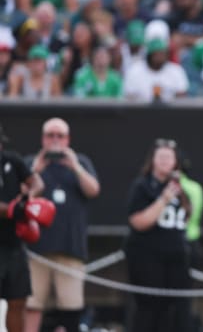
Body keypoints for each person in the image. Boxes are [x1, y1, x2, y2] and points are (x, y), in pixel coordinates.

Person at [25, 118, 100, 332]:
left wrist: (75, 167)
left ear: (68, 139)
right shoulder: (32, 162)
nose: (55, 140)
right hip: (36, 249)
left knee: (70, 308)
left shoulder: (81, 162)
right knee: (32, 304)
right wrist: (36, 170)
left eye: (60, 136)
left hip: (70, 248)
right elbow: (21, 195)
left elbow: (93, 190)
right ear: (43, 138)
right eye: (51, 135)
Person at [125, 139, 192, 332]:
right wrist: (163, 200)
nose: (164, 161)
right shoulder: (142, 186)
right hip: (147, 259)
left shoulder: (181, 189)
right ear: (152, 160)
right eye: (160, 156)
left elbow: (186, 219)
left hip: (176, 260)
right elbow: (138, 222)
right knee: (148, 310)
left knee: (175, 312)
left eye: (169, 157)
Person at [0, 124, 43, 332]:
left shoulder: (12, 160)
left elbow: (37, 182)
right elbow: (9, 210)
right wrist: (14, 209)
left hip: (14, 243)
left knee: (18, 301)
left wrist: (30, 197)